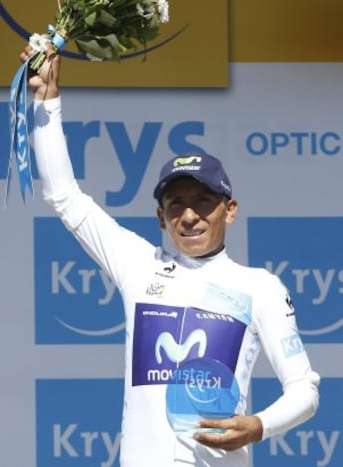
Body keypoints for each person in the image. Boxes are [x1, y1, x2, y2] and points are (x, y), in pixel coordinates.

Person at [21, 45, 320, 467]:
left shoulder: (260, 287)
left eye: (204, 201)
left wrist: (259, 426)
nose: (190, 215)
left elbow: (304, 390)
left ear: (229, 211)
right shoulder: (138, 266)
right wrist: (47, 102)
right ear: (161, 217)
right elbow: (64, 196)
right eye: (176, 204)